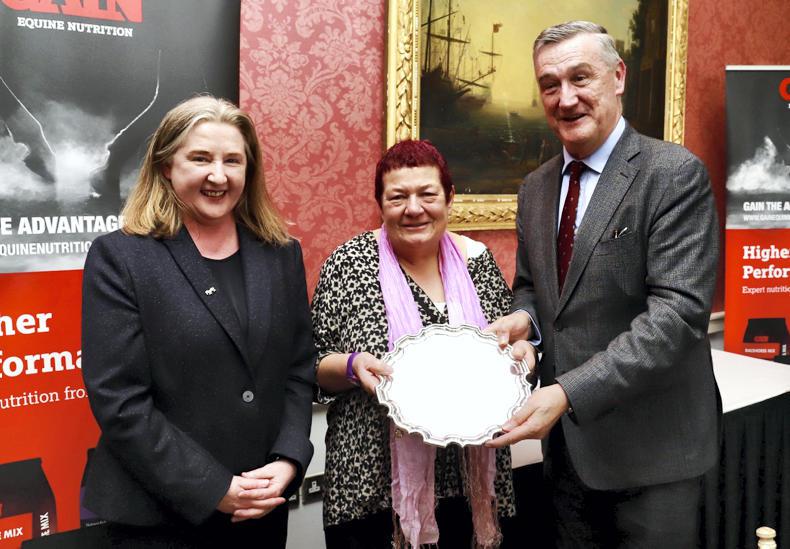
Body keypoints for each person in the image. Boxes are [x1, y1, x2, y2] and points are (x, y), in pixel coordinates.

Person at [486, 21, 721, 548]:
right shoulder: (535, 188)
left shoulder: (673, 174)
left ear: (618, 77)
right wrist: (525, 321)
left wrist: (569, 392)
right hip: (568, 459)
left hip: (654, 460)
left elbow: (677, 316)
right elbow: (533, 287)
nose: (565, 98)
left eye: (580, 78)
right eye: (550, 84)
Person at [80, 96, 315, 548]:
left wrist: (288, 459)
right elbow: (119, 399)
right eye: (201, 159)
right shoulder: (121, 257)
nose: (218, 176)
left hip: (260, 509)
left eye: (233, 161)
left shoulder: (281, 253)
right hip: (159, 519)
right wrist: (213, 487)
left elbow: (298, 369)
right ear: (166, 165)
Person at [311, 139, 516, 549]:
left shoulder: (478, 262)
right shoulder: (349, 264)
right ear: (380, 204)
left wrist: (521, 358)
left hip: (468, 486)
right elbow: (311, 365)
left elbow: (507, 353)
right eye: (398, 197)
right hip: (370, 489)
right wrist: (351, 366)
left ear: (450, 197)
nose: (414, 208)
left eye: (427, 194)